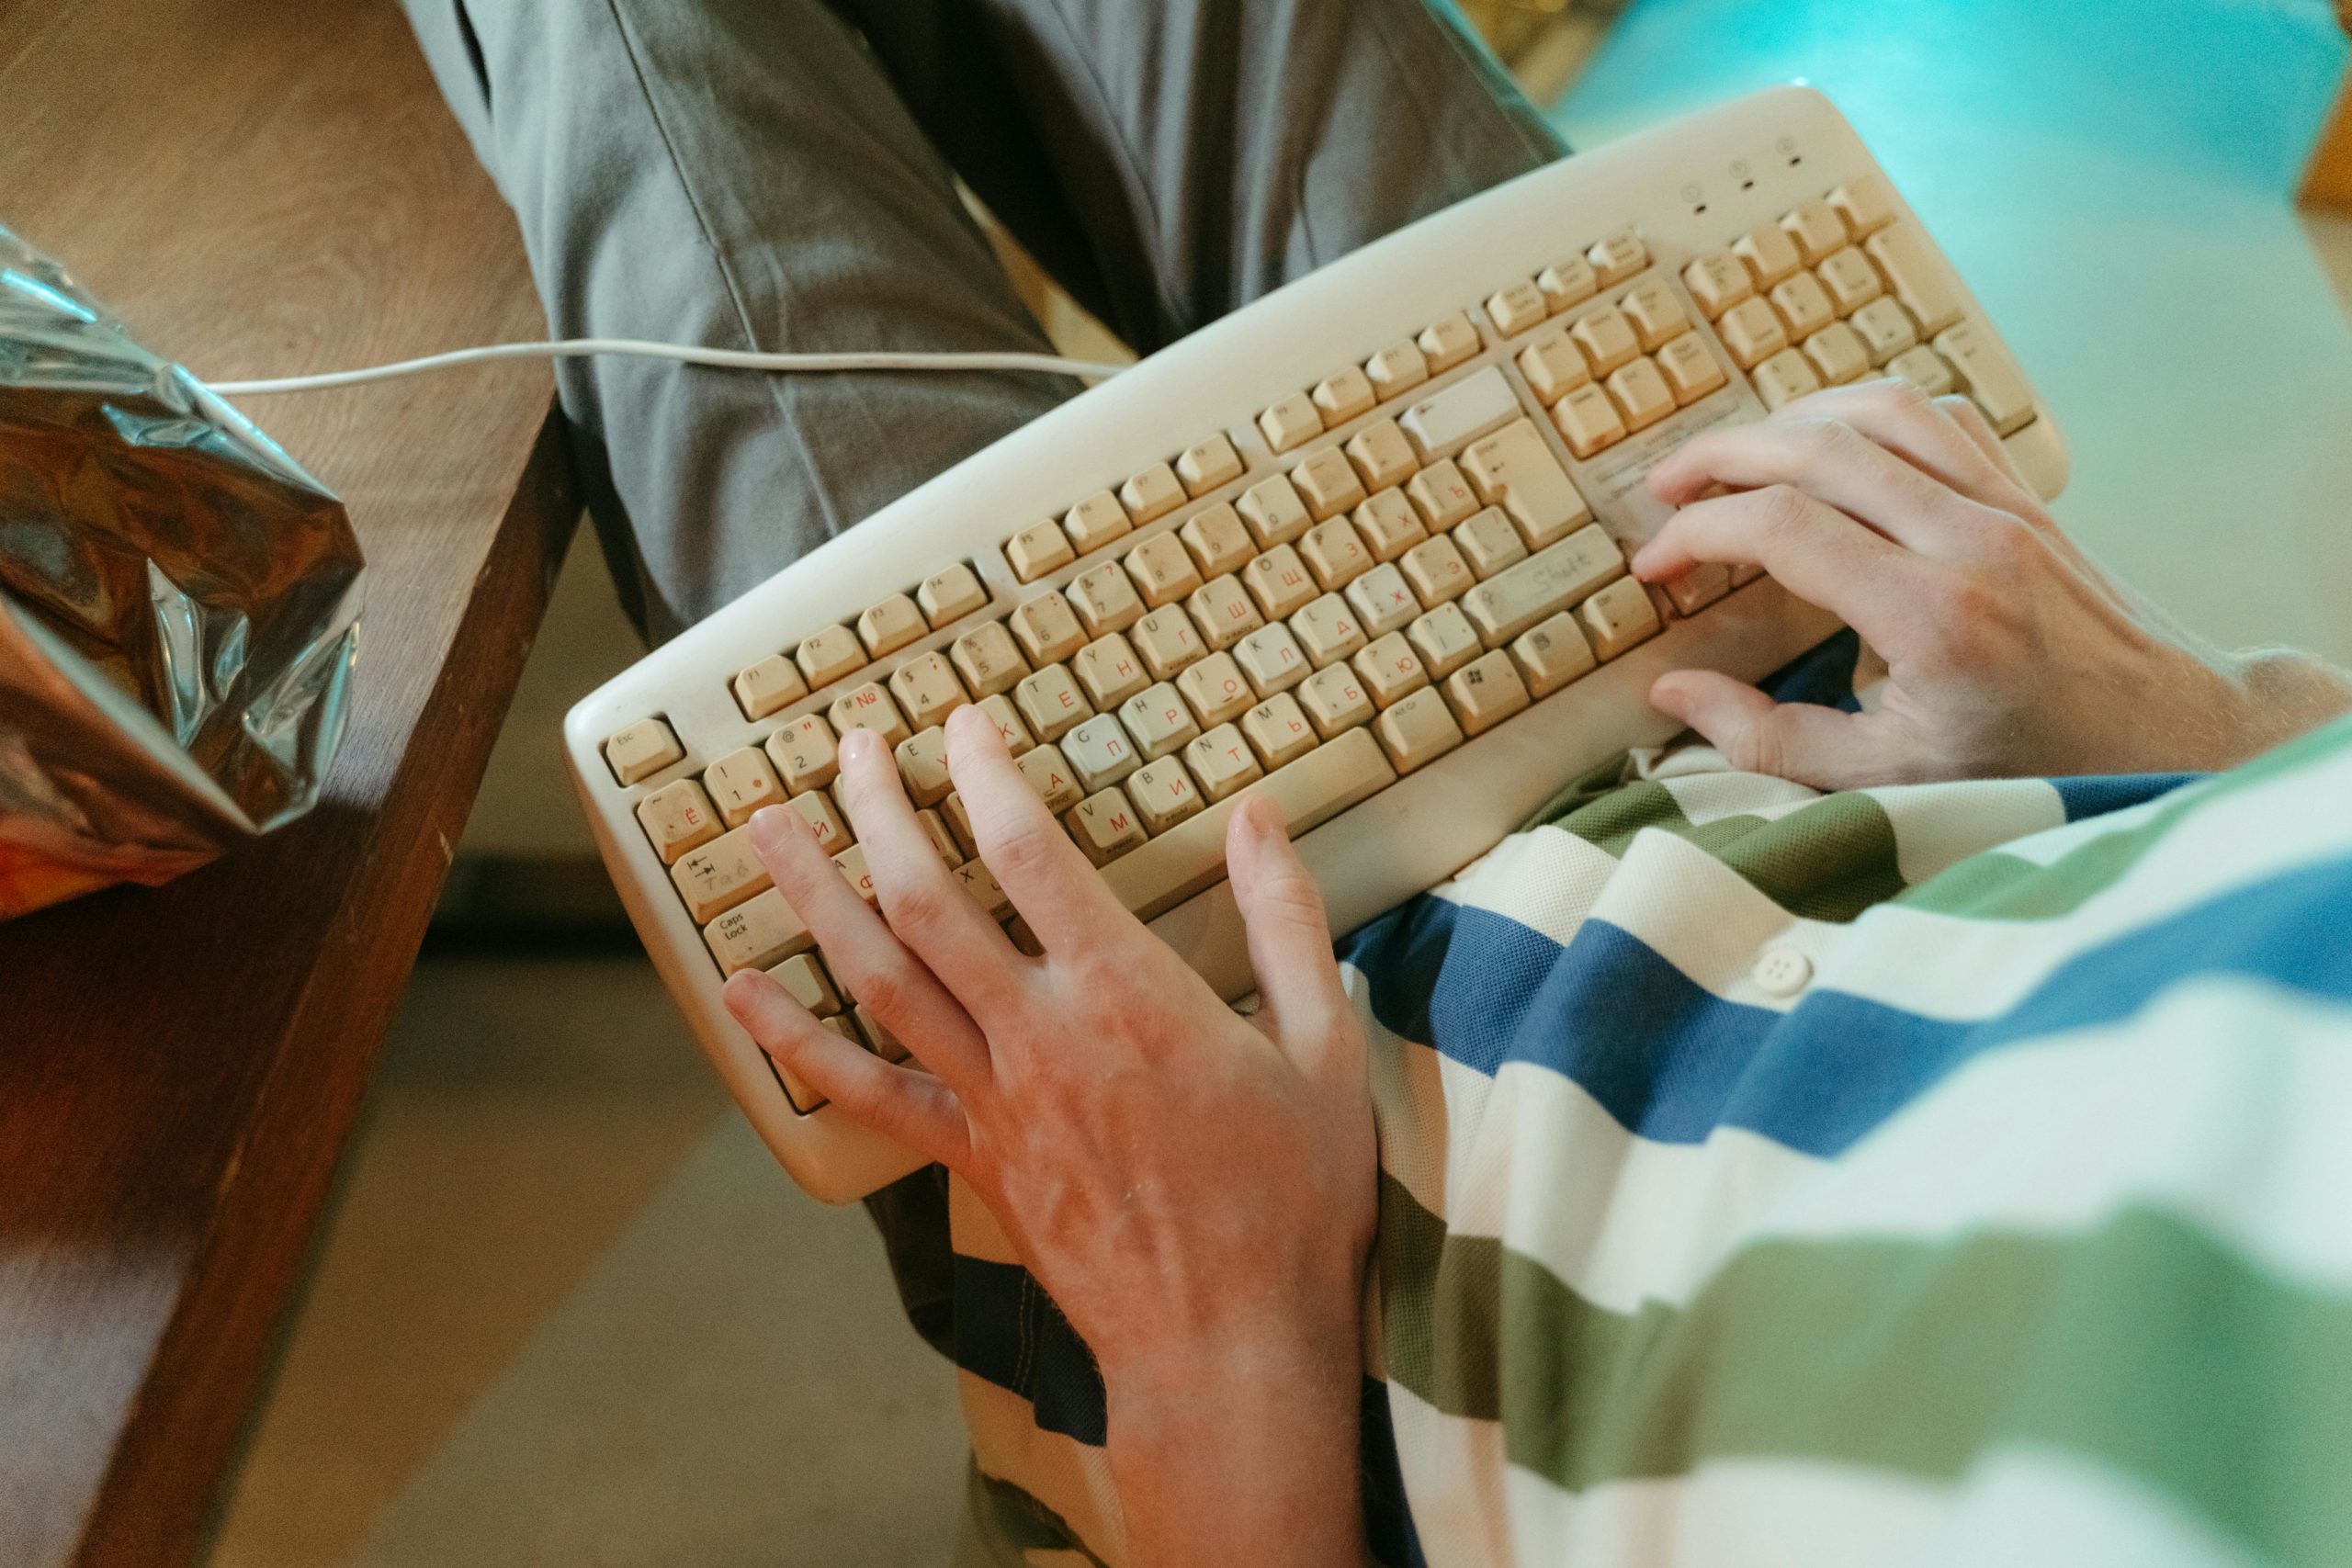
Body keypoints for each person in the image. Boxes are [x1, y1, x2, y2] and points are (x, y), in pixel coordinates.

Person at [402, 3, 2352, 1562]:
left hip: (1247, 1157)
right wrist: (2207, 729)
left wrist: (1219, 1356)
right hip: (1830, 715)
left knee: (632, 46)